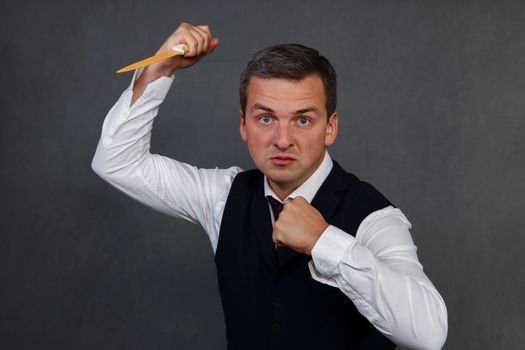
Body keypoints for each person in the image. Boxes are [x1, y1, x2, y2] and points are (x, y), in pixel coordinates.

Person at [92, 22, 447, 350]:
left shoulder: (376, 218)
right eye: (265, 118)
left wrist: (324, 241)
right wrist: (160, 67)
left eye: (303, 119)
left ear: (330, 127)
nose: (282, 139)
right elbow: (116, 161)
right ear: (243, 125)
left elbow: (429, 333)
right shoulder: (221, 196)